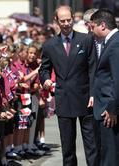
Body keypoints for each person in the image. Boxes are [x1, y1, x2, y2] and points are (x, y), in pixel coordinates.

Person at [39, 5, 99, 166]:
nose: (66, 23)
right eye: (62, 20)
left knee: (91, 144)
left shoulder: (86, 40)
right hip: (64, 98)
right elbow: (44, 68)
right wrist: (45, 79)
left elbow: (93, 69)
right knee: (67, 146)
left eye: (69, 20)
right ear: (56, 21)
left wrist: (93, 94)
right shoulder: (49, 45)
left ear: (73, 19)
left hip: (86, 98)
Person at [90, 9, 119, 166]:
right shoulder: (112, 41)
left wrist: (113, 108)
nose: (91, 30)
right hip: (106, 106)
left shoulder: (115, 43)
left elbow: (117, 78)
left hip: (109, 111)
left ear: (102, 25)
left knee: (110, 156)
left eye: (92, 26)